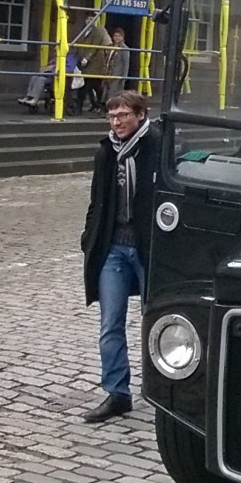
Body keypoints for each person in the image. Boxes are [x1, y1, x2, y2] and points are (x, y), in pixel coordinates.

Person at [81, 91, 161, 422]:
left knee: (156, 321)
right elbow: (96, 199)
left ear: (141, 115)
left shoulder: (157, 147)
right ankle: (117, 392)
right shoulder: (106, 152)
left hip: (149, 248)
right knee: (109, 323)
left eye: (124, 115)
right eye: (112, 117)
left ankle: (164, 389)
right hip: (113, 246)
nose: (117, 122)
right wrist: (88, 239)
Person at [110, 26, 138, 92]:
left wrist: (124, 78)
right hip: (109, 73)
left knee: (114, 93)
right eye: (115, 36)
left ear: (122, 37)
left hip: (117, 74)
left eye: (119, 36)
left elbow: (126, 64)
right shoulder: (110, 46)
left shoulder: (125, 48)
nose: (117, 38)